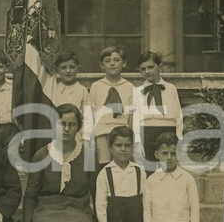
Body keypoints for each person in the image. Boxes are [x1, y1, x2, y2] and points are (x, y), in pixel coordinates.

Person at [132, 51, 183, 172]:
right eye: (143, 69)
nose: (147, 71)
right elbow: (135, 117)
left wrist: (179, 137)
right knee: (148, 169)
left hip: (168, 130)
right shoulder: (138, 91)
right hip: (147, 132)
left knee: (167, 167)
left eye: (151, 67)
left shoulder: (171, 89)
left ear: (159, 67)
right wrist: (138, 141)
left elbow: (178, 115)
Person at [88, 46, 134, 175]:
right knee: (104, 166)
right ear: (102, 65)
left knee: (122, 164)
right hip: (101, 133)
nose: (112, 63)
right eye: (107, 61)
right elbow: (91, 113)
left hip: (122, 133)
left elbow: (131, 115)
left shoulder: (129, 87)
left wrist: (131, 135)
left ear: (124, 63)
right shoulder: (96, 86)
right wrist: (91, 138)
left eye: (116, 60)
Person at [51, 50, 93, 143]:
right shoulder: (53, 90)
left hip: (76, 136)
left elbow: (88, 117)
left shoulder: (82, 91)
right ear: (57, 69)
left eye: (72, 67)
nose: (68, 71)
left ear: (78, 68)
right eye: (63, 67)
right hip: (56, 136)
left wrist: (85, 138)